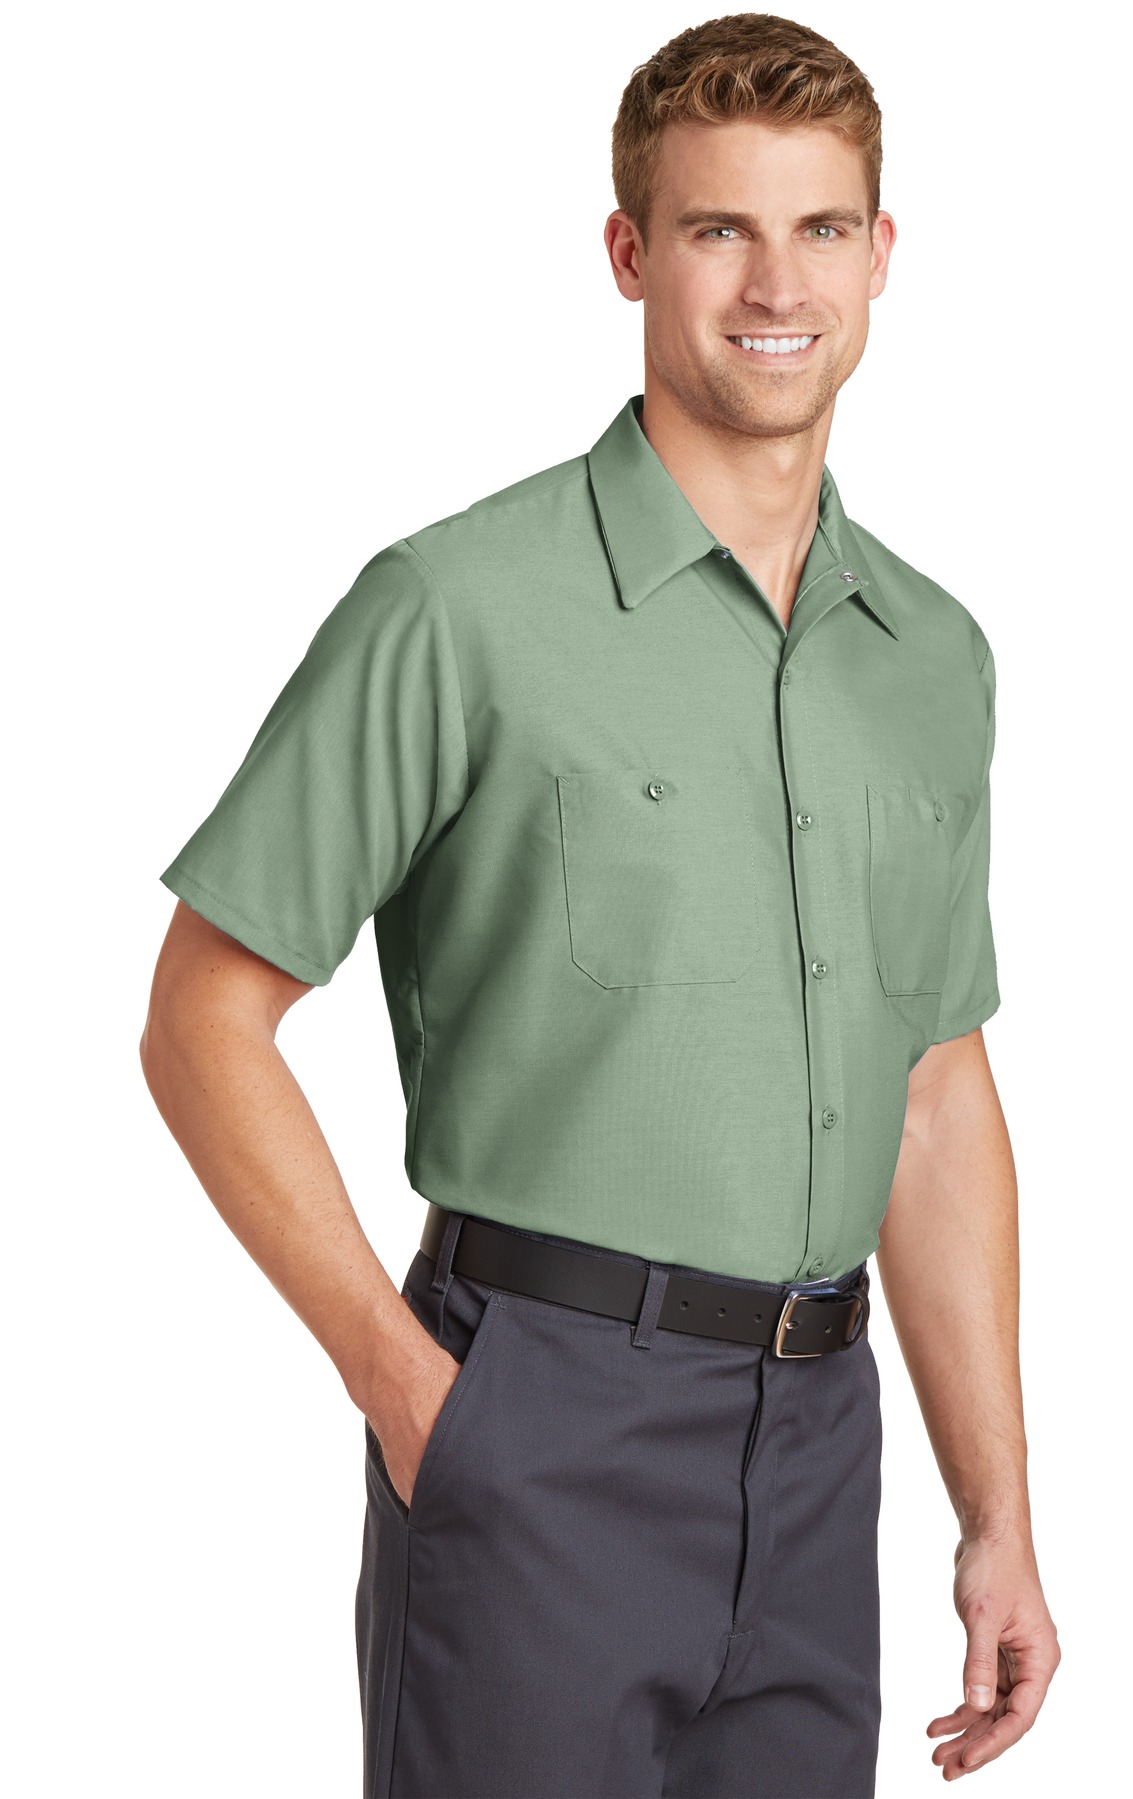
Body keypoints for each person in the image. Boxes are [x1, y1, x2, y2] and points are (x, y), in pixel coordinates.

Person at [140, 14, 1061, 1797]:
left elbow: (937, 1090)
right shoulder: (457, 608)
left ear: (882, 254)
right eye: (721, 229)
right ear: (631, 252)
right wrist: (409, 1390)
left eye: (821, 228)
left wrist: (997, 1512)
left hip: (823, 1449)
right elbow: (202, 1017)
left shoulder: (932, 657)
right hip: (538, 1422)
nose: (776, 284)